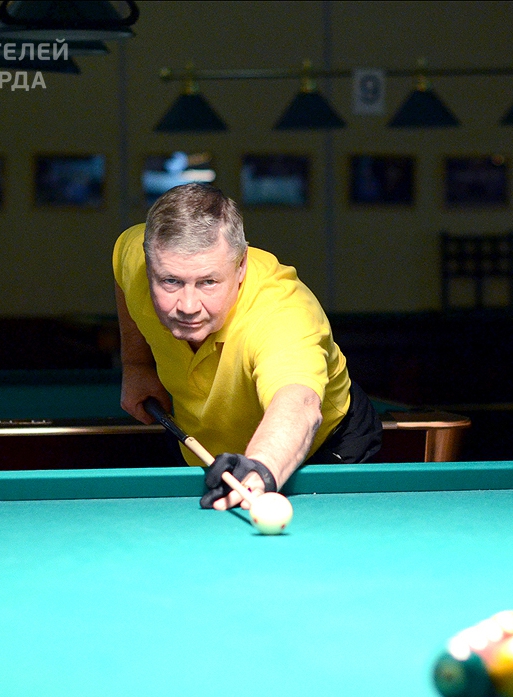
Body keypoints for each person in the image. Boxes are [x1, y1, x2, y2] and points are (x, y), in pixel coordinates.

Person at [113, 183, 382, 511]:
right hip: (207, 449)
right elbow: (122, 269)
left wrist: (260, 467)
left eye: (208, 282)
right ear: (149, 267)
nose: (187, 306)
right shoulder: (136, 255)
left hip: (321, 447)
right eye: (171, 281)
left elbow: (298, 402)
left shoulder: (282, 313)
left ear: (240, 266)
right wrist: (136, 364)